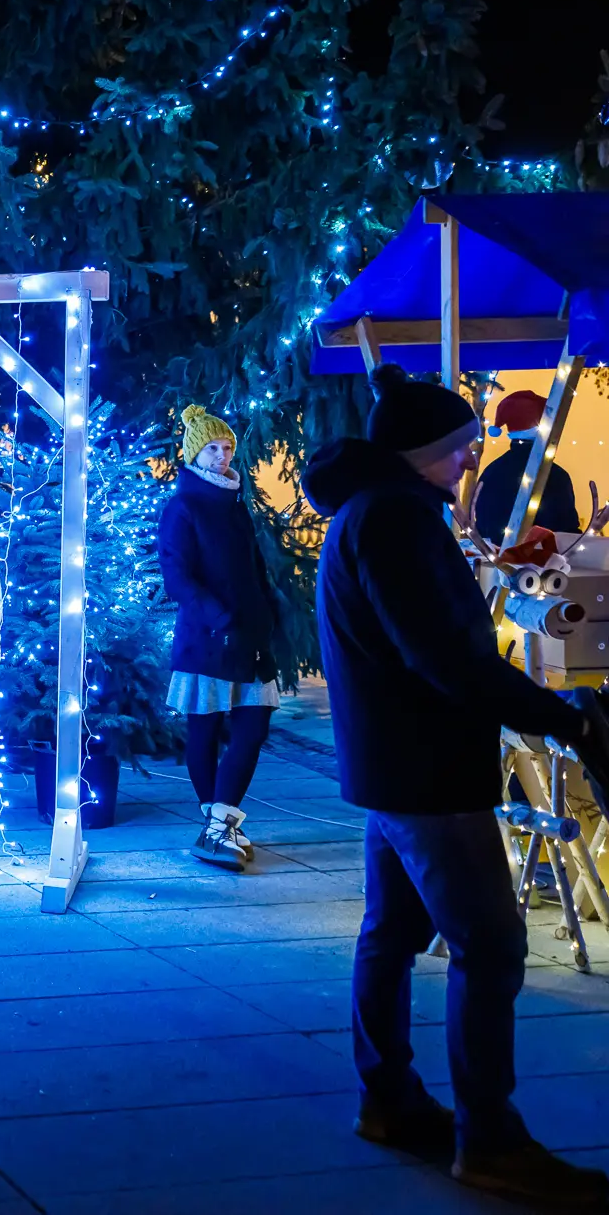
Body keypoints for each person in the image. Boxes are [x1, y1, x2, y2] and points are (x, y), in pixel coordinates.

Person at [302, 363, 609, 1206]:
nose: (473, 459)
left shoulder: (370, 513)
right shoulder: (398, 519)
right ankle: (491, 1139)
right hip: (429, 773)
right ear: (422, 451)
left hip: (394, 767)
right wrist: (570, 720)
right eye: (462, 446)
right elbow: (450, 660)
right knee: (489, 945)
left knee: (392, 932)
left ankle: (389, 1098)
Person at [158, 405, 281, 869]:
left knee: (254, 725)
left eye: (227, 447)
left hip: (249, 636)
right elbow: (177, 577)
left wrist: (268, 614)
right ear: (194, 454)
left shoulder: (235, 506)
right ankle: (218, 825)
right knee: (205, 729)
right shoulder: (183, 507)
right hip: (208, 639)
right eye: (212, 448)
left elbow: (254, 570)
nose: (222, 456)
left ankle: (220, 821)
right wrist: (221, 616)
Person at [472, 389, 583, 544]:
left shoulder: (491, 472)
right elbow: (568, 535)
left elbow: (483, 527)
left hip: (490, 563)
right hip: (543, 566)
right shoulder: (555, 476)